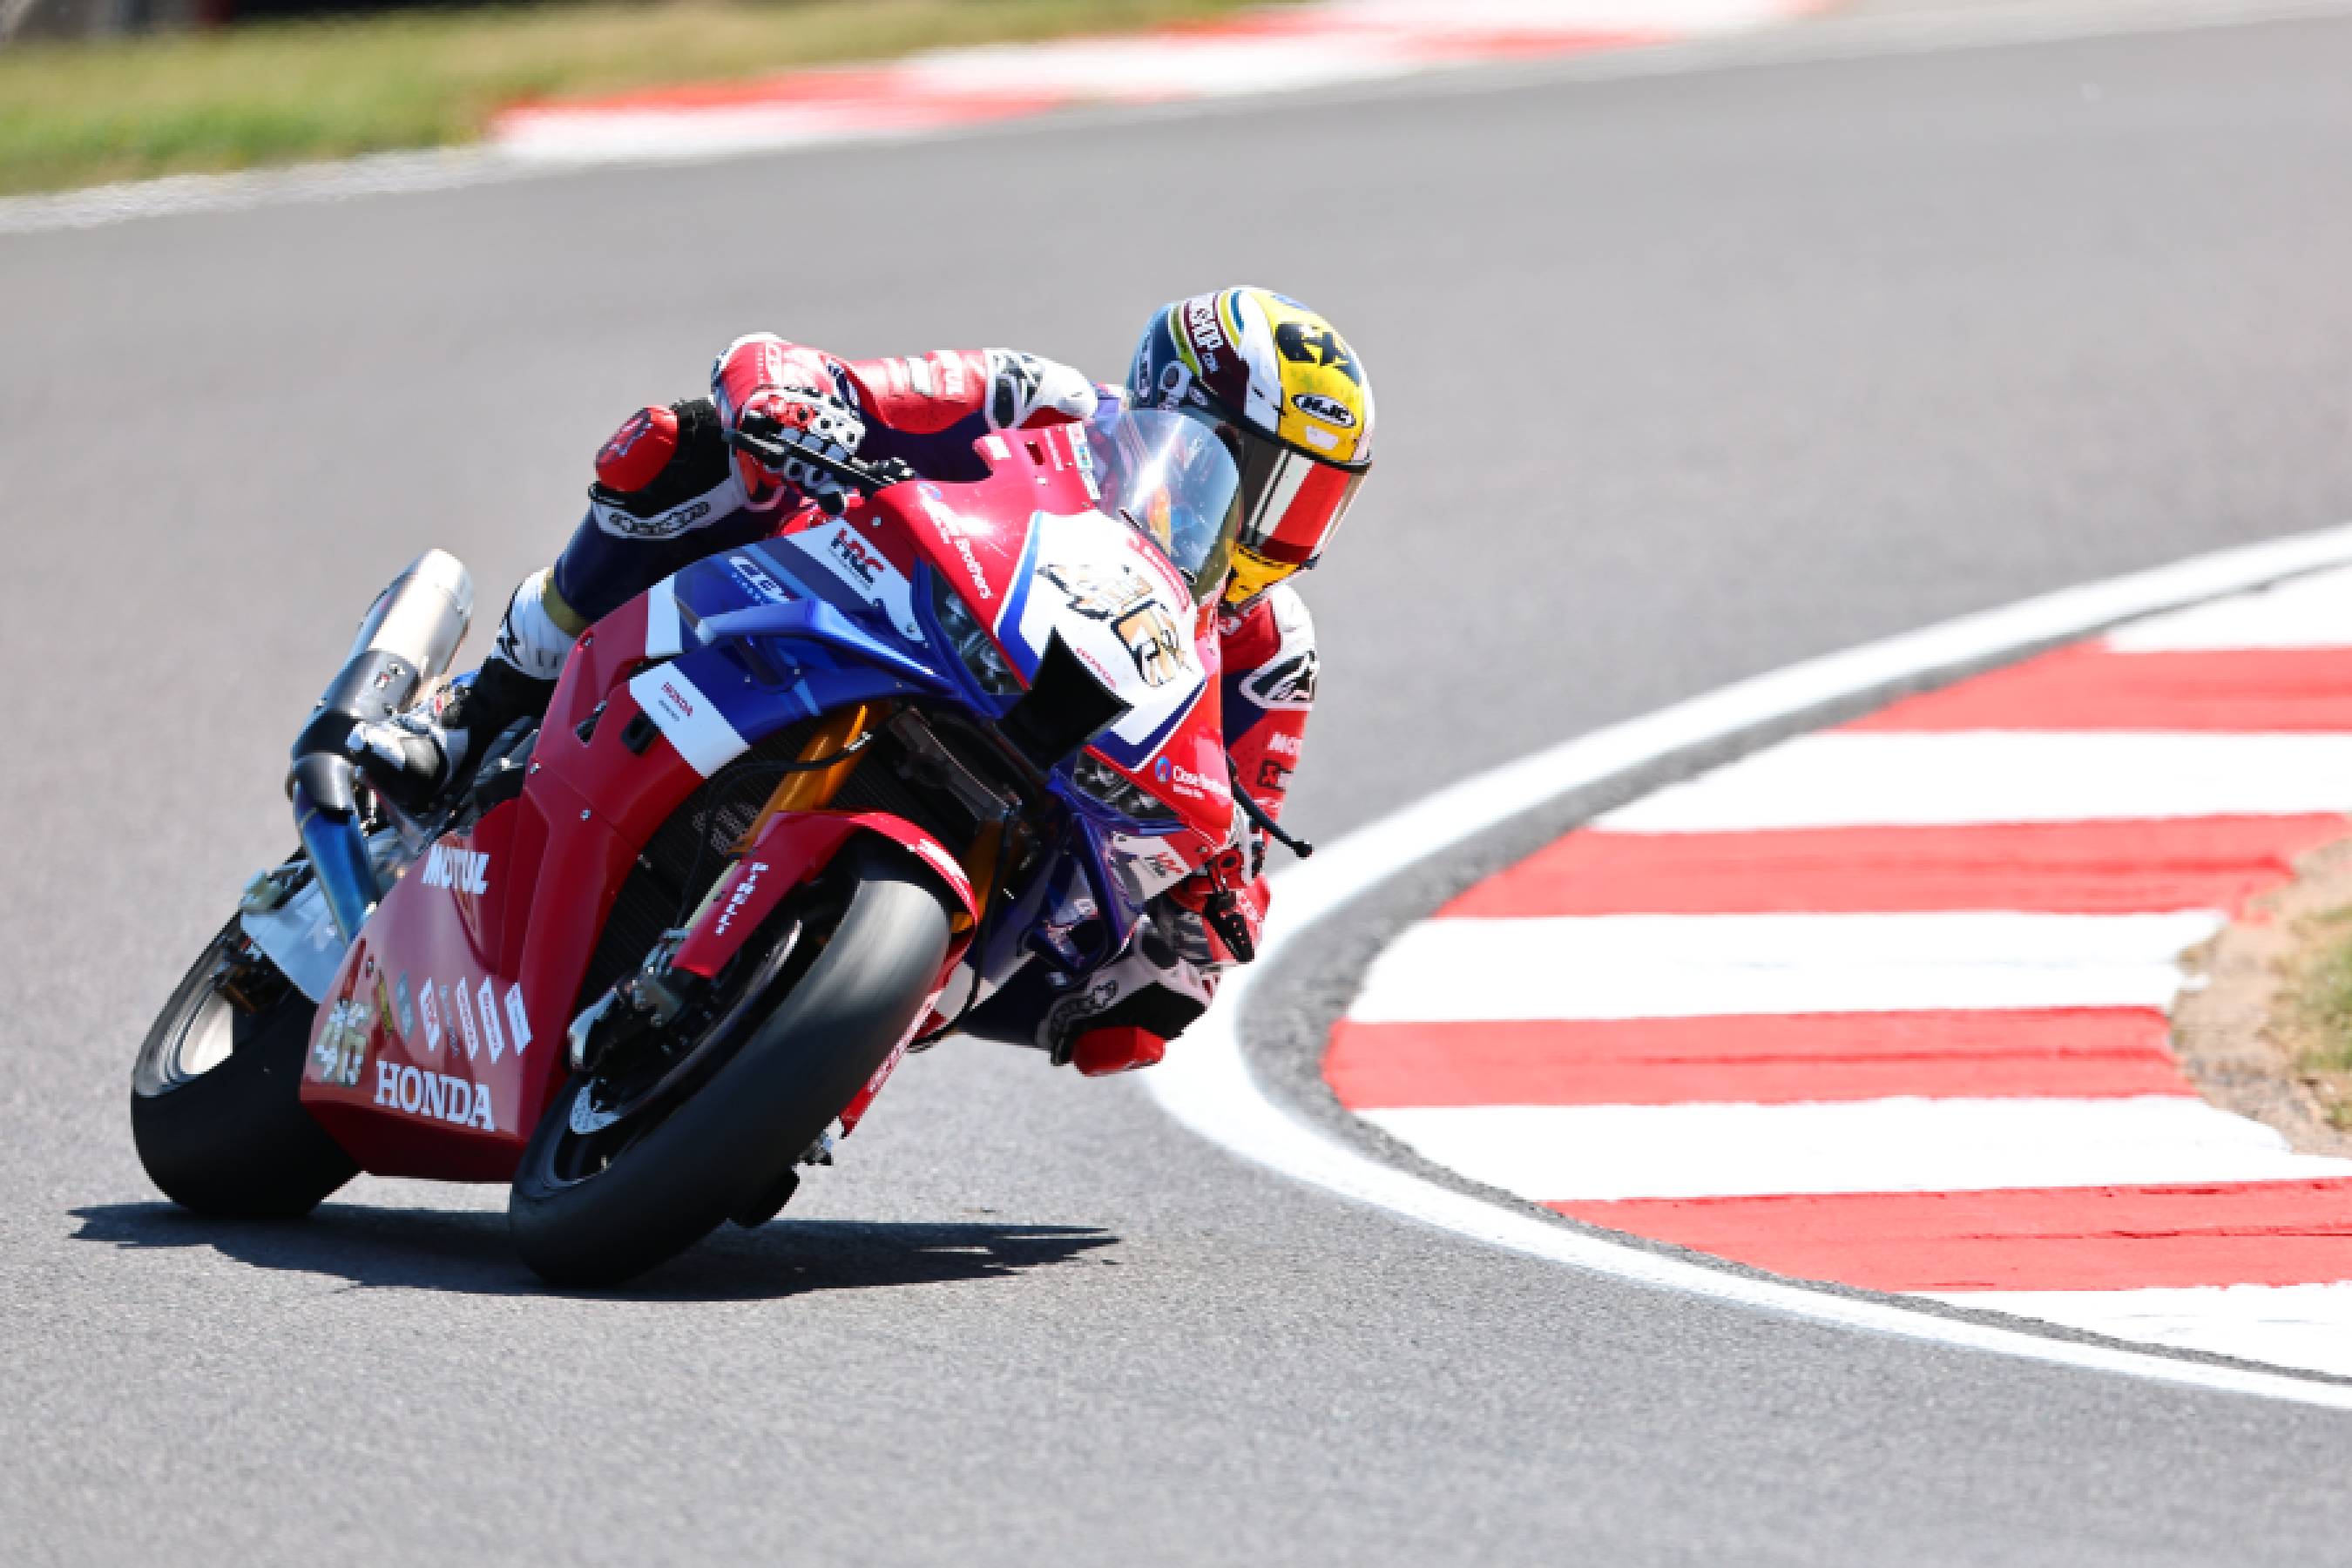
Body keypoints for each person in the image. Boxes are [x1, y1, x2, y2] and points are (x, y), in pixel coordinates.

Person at [350, 287, 1374, 1075]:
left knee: (1144, 1006)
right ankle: (481, 709)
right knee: (684, 450)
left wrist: (1216, 910)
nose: (1268, 531)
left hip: (1049, 810)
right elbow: (806, 373)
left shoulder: (1271, 646)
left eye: (1306, 505)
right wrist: (792, 404)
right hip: (879, 631)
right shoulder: (1039, 401)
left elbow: (1236, 821)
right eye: (1252, 475)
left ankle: (805, 1042)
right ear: (1168, 408)